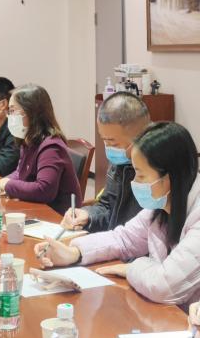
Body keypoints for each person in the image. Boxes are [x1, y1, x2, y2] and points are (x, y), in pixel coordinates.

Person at [35, 122, 200, 307]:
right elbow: (124, 239)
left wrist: (132, 267)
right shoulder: (162, 205)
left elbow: (163, 287)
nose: (135, 182)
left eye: (141, 175)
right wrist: (74, 253)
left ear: (168, 178)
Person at [62, 92, 150, 232]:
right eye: (104, 139)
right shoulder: (120, 162)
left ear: (140, 136)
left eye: (113, 143)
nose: (108, 147)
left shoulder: (155, 170)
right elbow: (107, 205)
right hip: (115, 240)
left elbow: (142, 233)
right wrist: (88, 216)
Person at [0, 84, 82, 214]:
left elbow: (44, 190)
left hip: (57, 216)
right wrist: (0, 184)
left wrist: (8, 185)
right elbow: (20, 172)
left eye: (12, 110)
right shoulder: (29, 140)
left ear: (31, 112)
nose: (9, 116)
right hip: (36, 209)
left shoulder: (51, 146)